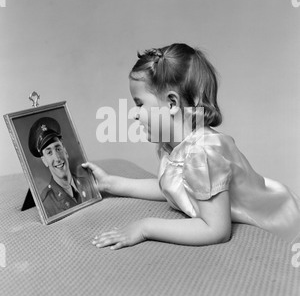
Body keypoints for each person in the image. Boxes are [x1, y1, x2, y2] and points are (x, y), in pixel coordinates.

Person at [83, 43, 300, 250]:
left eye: (139, 103)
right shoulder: (173, 147)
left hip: (283, 225)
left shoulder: (202, 153)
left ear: (171, 103)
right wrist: (111, 184)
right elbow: (173, 189)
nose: (134, 113)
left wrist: (144, 227)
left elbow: (215, 229)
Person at [29, 117, 99, 218]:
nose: (57, 158)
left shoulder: (87, 183)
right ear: (44, 161)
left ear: (65, 152)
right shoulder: (46, 203)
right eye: (49, 152)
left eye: (58, 148)